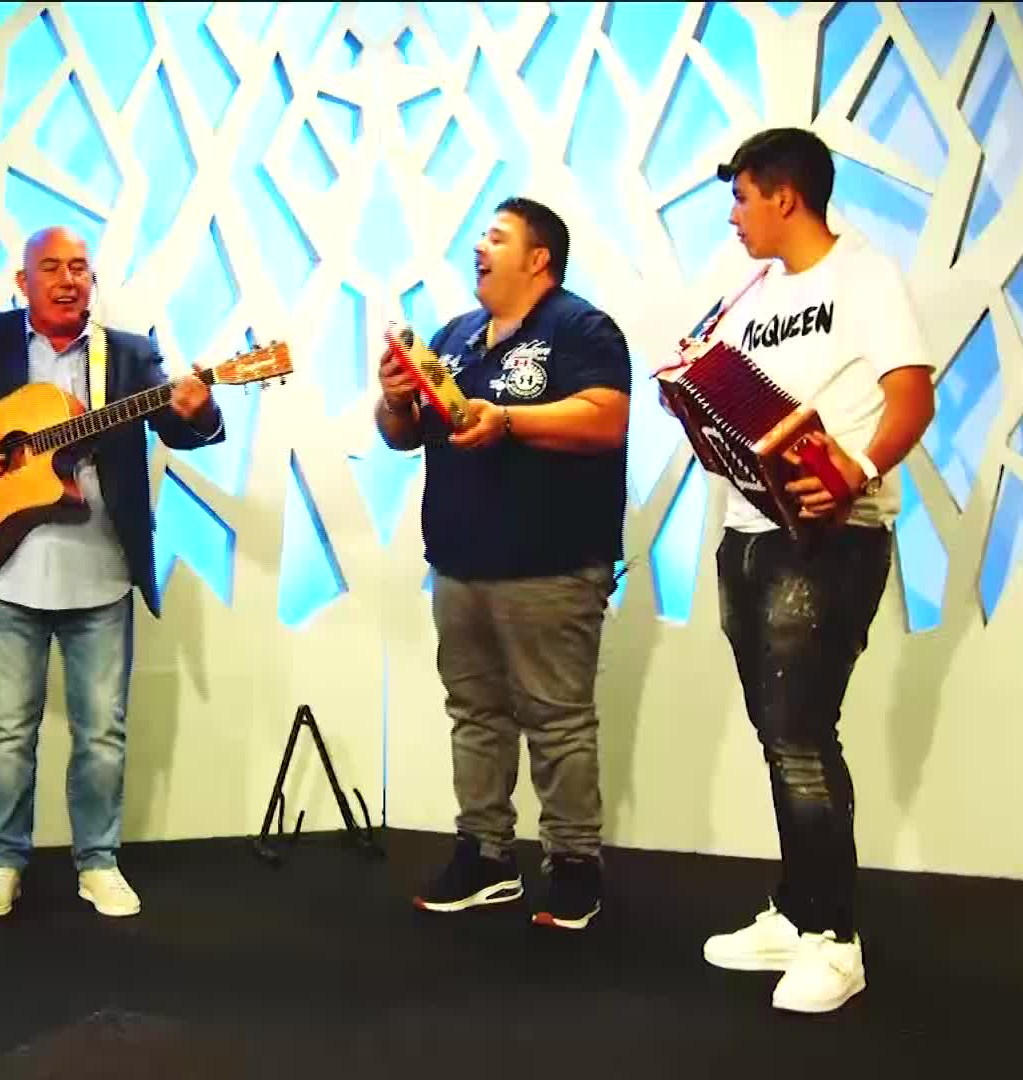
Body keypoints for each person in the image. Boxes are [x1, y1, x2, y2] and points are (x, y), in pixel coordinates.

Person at [0, 226, 224, 918]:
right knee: (7, 733)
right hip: (10, 572)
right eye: (52, 268)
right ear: (23, 282)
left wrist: (201, 409)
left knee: (103, 734)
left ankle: (99, 862)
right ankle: (3, 861)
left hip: (103, 571)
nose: (68, 280)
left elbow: (179, 427)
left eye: (80, 268)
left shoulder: (129, 355)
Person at [686, 128, 934, 1013]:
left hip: (832, 539)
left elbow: (913, 396)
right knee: (777, 732)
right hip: (747, 532)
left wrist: (856, 471)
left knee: (801, 733)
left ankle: (836, 939)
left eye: (742, 196)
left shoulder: (865, 274)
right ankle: (796, 914)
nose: (734, 216)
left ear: (784, 195)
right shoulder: (750, 290)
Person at [376, 197, 631, 931]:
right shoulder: (454, 337)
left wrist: (509, 420)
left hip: (552, 563)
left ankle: (574, 864)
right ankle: (485, 854)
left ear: (538, 258)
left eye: (496, 237)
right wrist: (395, 400)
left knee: (557, 720)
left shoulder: (582, 327)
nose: (478, 248)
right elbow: (401, 435)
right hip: (458, 562)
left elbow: (607, 418)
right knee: (475, 715)